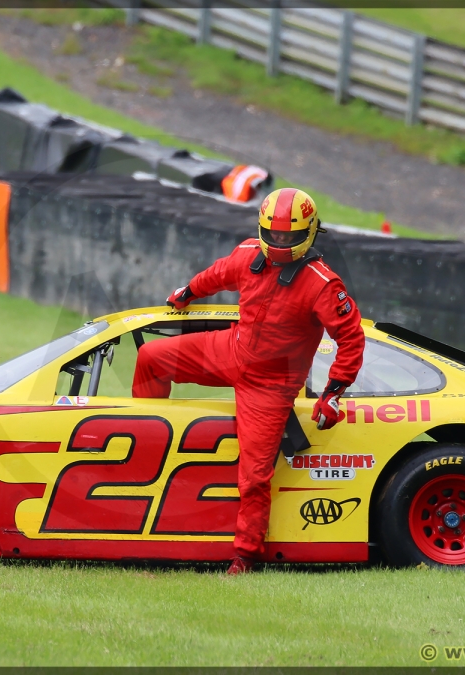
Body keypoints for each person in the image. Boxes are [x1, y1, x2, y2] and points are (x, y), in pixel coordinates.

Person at [132, 188, 365, 574]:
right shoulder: (246, 254)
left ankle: (246, 555)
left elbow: (351, 338)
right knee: (150, 358)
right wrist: (188, 292)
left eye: (289, 237)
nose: (279, 242)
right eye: (272, 235)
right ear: (261, 229)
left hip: (271, 386)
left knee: (255, 476)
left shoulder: (324, 284)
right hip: (229, 350)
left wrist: (334, 392)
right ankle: (145, 443)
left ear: (309, 233)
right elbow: (217, 274)